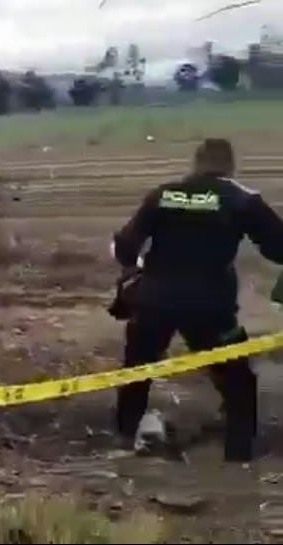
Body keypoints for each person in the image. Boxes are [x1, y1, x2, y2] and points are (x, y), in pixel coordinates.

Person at [111, 138, 283, 462]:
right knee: (238, 380)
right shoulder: (242, 199)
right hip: (210, 307)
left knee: (136, 371)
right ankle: (238, 459)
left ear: (196, 163)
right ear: (230, 165)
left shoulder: (163, 194)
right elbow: (278, 247)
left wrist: (133, 271)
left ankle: (124, 442)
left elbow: (125, 245)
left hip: (154, 301)